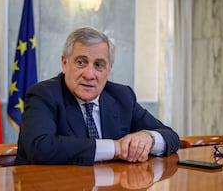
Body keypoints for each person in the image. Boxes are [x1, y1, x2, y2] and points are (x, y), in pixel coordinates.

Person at [15, 26, 180, 165]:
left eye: (99, 65)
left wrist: (148, 138)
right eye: (81, 62)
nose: (89, 74)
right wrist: (115, 148)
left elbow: (171, 137)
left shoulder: (122, 96)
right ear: (64, 64)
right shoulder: (44, 94)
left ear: (109, 70)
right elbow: (40, 147)